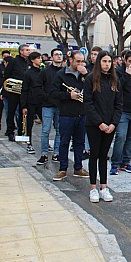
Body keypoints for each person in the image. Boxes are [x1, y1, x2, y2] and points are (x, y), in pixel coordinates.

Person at [84, 51, 122, 202]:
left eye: (109, 61)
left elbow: (119, 104)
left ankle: (104, 187)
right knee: (94, 155)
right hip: (94, 124)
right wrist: (99, 123)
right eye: (104, 61)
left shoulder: (115, 80)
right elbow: (88, 103)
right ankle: (93, 187)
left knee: (104, 156)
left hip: (110, 125)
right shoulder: (90, 79)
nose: (107, 64)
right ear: (99, 62)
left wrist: (113, 123)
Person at [51, 51, 89, 181]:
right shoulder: (61, 75)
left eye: (82, 61)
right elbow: (53, 93)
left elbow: (94, 89)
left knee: (80, 142)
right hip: (67, 113)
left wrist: (86, 75)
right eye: (78, 61)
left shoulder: (85, 74)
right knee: (64, 142)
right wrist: (69, 96)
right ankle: (63, 169)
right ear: (70, 60)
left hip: (82, 113)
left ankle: (78, 168)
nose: (80, 64)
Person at [111, 51, 131, 175]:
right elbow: (116, 88)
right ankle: (115, 164)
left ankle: (125, 162)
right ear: (124, 60)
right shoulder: (118, 72)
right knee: (120, 137)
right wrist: (127, 75)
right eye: (130, 61)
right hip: (122, 111)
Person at [37, 48, 64, 165]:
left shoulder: (65, 71)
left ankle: (56, 153)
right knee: (45, 130)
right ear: (52, 57)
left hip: (61, 105)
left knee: (59, 131)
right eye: (56, 55)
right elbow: (39, 86)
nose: (59, 56)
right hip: (47, 105)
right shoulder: (45, 71)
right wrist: (46, 97)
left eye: (60, 54)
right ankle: (43, 154)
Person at [5, 44, 30, 141]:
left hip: (24, 92)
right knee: (11, 112)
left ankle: (21, 132)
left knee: (23, 112)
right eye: (27, 50)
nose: (29, 51)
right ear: (21, 51)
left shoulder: (28, 62)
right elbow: (7, 75)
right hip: (14, 91)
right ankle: (10, 131)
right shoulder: (13, 61)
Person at [21, 52, 44, 154]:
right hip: (31, 101)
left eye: (40, 58)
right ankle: (29, 143)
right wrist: (24, 105)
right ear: (32, 60)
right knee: (29, 124)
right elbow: (24, 89)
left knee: (45, 122)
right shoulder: (28, 73)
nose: (40, 60)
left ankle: (45, 143)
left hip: (41, 101)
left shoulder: (42, 71)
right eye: (38, 58)